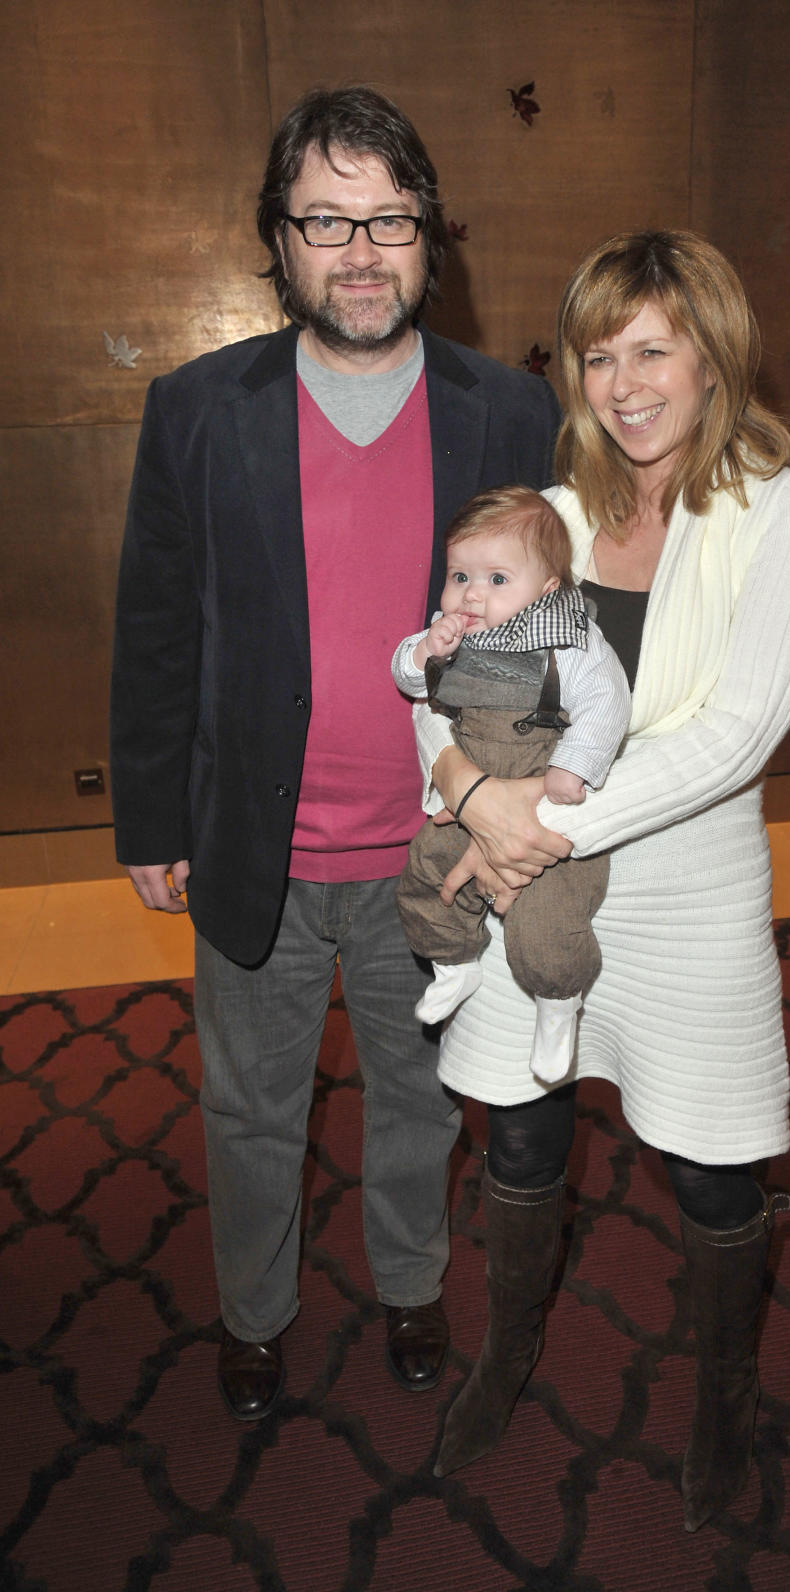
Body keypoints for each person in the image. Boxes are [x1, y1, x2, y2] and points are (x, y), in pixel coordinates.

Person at [109, 85, 561, 1422]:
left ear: (432, 237)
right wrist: (147, 816)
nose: (361, 251)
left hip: (438, 854)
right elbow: (153, 624)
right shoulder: (198, 410)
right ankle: (255, 1312)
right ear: (280, 238)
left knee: (419, 1103)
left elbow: (557, 633)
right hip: (261, 848)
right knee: (251, 1112)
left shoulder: (512, 412)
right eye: (327, 220)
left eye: (390, 219)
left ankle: (411, 1287)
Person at [415, 230, 790, 1529]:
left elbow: (738, 732)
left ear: (715, 355)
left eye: (653, 348)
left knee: (714, 1167)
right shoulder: (557, 502)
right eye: (599, 354)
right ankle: (508, 1348)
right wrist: (468, 790)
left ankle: (725, 1393)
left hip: (684, 887)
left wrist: (538, 824)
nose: (623, 381)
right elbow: (451, 654)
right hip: (520, 864)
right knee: (521, 1129)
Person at [391, 485, 631, 1081]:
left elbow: (607, 702)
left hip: (545, 811)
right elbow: (410, 685)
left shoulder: (567, 640)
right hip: (465, 808)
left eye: (498, 579)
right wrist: (424, 652)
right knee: (426, 874)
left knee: (547, 921)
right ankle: (453, 963)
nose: (473, 593)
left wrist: (574, 765)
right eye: (460, 575)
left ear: (546, 588)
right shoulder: (452, 634)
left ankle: (558, 1005)